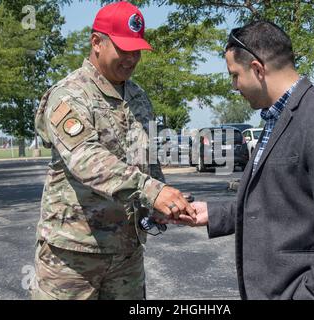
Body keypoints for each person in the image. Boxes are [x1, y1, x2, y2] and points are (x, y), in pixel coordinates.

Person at [169, 20, 314, 300]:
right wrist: (212, 213)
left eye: (235, 75)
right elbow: (280, 203)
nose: (234, 86)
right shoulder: (276, 117)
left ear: (257, 70)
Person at [30, 1, 195, 300]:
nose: (131, 58)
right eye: (123, 49)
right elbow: (85, 158)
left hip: (127, 253)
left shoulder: (137, 95)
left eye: (137, 51)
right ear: (96, 42)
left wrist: (161, 203)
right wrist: (151, 190)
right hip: (73, 255)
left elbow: (147, 157)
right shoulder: (69, 93)